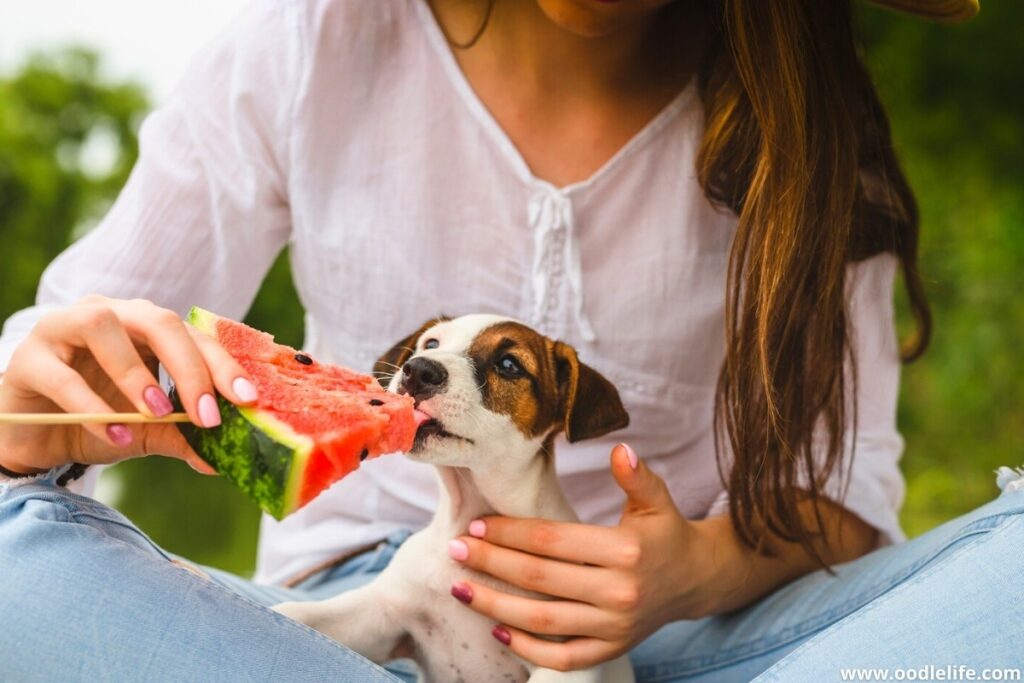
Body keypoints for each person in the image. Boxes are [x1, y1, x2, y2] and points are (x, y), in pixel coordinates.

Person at [0, 0, 1019, 680]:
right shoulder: (310, 40)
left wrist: (694, 569)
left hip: (706, 645)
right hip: (338, 632)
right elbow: (68, 367)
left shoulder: (813, 136)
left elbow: (848, 498)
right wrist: (39, 402)